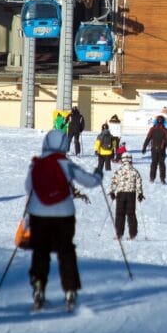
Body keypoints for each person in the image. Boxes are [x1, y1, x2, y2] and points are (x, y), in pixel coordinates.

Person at [24, 129, 101, 311]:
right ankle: (70, 290)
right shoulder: (67, 164)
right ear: (64, 144)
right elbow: (89, 182)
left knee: (40, 251)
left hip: (38, 214)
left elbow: (29, 187)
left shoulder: (36, 164)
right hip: (64, 214)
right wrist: (98, 174)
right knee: (66, 251)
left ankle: (38, 286)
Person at [108, 154, 144, 240]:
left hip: (121, 194)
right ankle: (133, 234)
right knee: (131, 214)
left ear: (123, 160)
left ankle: (119, 234)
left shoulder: (119, 171)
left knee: (120, 214)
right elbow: (139, 183)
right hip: (131, 194)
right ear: (130, 160)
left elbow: (114, 182)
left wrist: (112, 192)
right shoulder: (135, 171)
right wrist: (140, 194)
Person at [142, 115, 167, 184]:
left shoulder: (153, 129)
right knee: (160, 164)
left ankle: (154, 178)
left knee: (155, 164)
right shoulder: (164, 130)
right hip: (160, 149)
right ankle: (160, 179)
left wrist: (144, 147)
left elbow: (148, 138)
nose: (159, 122)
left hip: (156, 149)